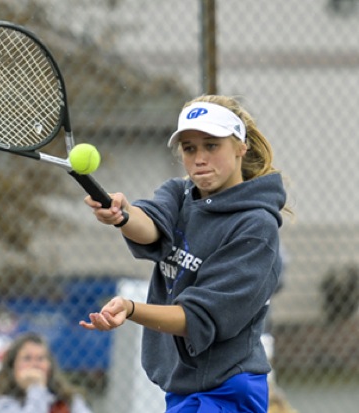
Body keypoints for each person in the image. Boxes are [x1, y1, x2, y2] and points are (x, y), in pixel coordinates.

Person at [79, 95, 292, 413]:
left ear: (240, 147)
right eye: (190, 148)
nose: (200, 158)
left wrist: (131, 308)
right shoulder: (179, 194)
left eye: (212, 145)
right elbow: (152, 226)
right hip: (186, 386)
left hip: (227, 389)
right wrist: (122, 215)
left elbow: (196, 318)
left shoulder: (255, 227)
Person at [0, 332, 93, 413]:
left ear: (50, 366)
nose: (34, 365)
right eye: (27, 358)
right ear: (12, 366)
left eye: (40, 358)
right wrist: (36, 388)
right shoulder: (1, 404)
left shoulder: (68, 400)